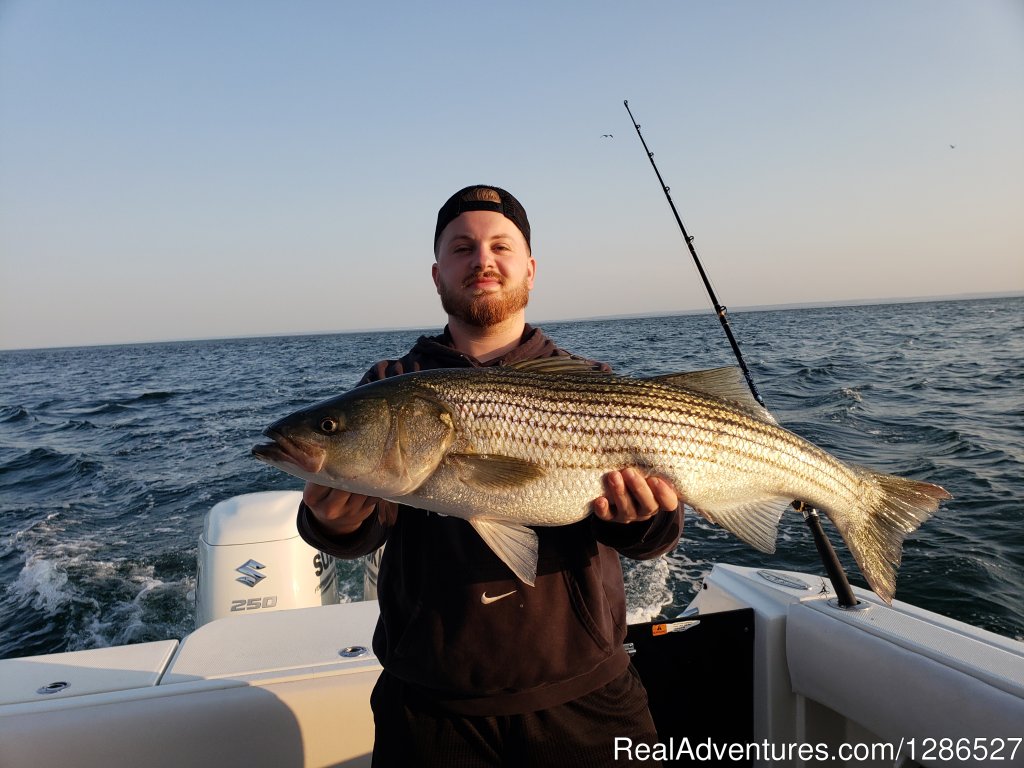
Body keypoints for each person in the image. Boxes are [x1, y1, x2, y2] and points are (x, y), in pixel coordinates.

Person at [297, 184, 684, 767]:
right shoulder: (391, 381)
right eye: (461, 247)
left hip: (586, 695)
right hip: (429, 707)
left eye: (500, 246)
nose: (482, 260)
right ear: (435, 274)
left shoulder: (589, 380)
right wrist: (331, 522)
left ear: (529, 268)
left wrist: (645, 520)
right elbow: (364, 525)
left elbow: (652, 538)